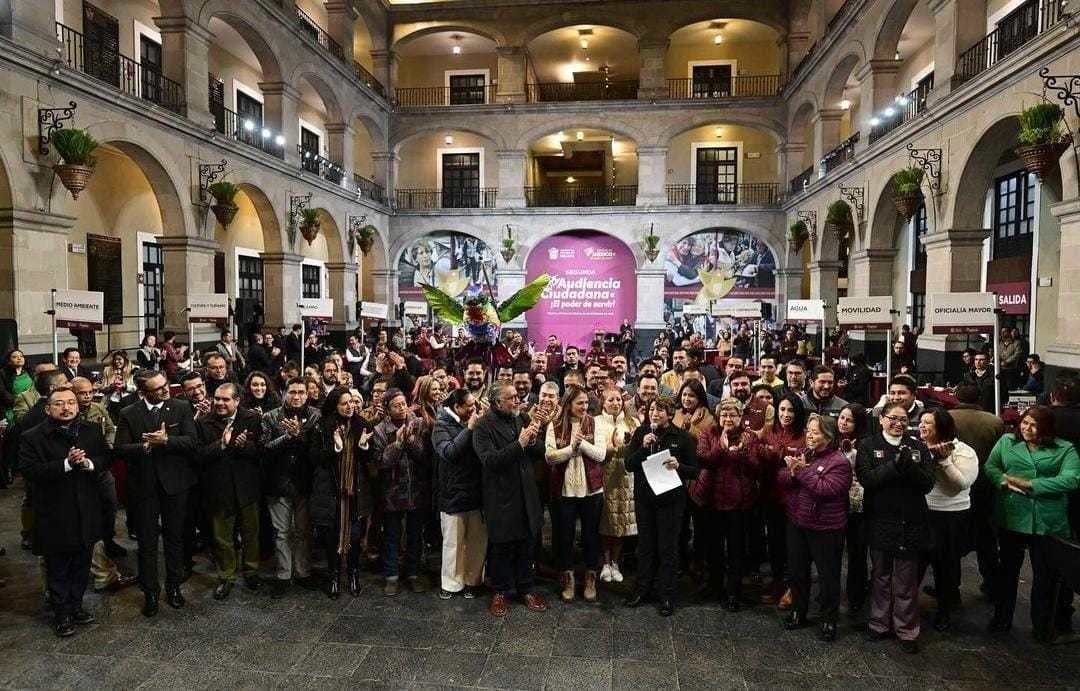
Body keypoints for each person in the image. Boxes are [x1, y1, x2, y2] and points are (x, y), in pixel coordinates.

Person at [19, 387, 112, 637]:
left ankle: (76, 605)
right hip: (54, 513)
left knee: (82, 564)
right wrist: (66, 464)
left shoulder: (91, 430)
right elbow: (29, 471)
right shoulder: (33, 437)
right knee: (58, 567)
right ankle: (61, 614)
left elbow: (105, 458)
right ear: (48, 408)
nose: (67, 407)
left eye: (71, 402)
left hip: (87, 509)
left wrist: (89, 463)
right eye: (60, 404)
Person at [985, 405, 1080, 640]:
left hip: (1047, 522)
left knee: (1045, 578)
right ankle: (1001, 619)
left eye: (1034, 425)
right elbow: (991, 467)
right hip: (1012, 516)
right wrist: (1003, 483)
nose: (1027, 428)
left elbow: (1071, 480)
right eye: (1024, 422)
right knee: (1007, 573)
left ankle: (1042, 626)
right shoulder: (1007, 441)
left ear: (1046, 428)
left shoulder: (1065, 449)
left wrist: (1031, 485)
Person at [114, 371, 198, 617]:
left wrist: (167, 440)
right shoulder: (128, 413)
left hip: (175, 484)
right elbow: (119, 449)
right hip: (144, 487)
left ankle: (173, 587)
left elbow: (191, 441)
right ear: (143, 392)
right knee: (147, 543)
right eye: (158, 388)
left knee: (174, 538)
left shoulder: (181, 407)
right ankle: (150, 592)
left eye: (165, 385)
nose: (165, 390)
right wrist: (146, 446)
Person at [857, 402, 936, 654]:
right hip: (880, 520)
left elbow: (927, 484)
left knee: (906, 580)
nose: (898, 423)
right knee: (880, 576)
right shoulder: (868, 445)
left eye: (903, 419)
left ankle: (906, 630)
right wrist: (894, 466)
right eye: (892, 418)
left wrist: (910, 466)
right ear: (881, 419)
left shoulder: (918, 446)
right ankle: (879, 623)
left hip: (911, 522)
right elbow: (868, 479)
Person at [473, 381, 548, 617]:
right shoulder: (483, 427)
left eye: (517, 396)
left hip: (526, 493)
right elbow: (491, 461)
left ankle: (526, 588)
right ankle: (500, 592)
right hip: (501, 496)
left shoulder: (520, 418)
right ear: (497, 402)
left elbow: (540, 452)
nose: (518, 400)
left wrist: (533, 441)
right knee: (502, 547)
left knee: (527, 544)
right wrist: (520, 444)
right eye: (512, 397)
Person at [778, 414, 851, 641]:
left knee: (828, 576)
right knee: (798, 572)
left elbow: (825, 489)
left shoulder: (839, 462)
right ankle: (798, 611)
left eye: (815, 432)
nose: (809, 435)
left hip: (826, 528)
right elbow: (783, 481)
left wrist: (801, 471)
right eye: (808, 431)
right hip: (798, 523)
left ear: (828, 437)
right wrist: (790, 472)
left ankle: (828, 620)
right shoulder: (804, 455)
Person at [624, 397, 698, 616]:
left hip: (671, 501)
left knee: (667, 548)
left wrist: (679, 466)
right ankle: (642, 589)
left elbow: (694, 470)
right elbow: (629, 465)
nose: (654, 414)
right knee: (645, 545)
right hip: (645, 499)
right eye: (652, 410)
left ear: (670, 413)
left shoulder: (683, 437)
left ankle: (667, 595)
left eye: (660, 410)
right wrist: (643, 448)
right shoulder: (641, 433)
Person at [195, 382, 264, 600]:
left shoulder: (252, 419)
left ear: (237, 401)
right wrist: (222, 445)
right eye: (217, 399)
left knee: (251, 533)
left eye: (225, 399)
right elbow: (198, 456)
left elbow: (261, 452)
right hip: (219, 490)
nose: (220, 403)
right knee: (222, 538)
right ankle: (226, 577)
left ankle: (251, 571)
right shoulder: (204, 422)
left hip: (247, 488)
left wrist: (245, 446)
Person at [309, 387, 375, 598]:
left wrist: (363, 447)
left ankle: (354, 573)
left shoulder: (362, 425)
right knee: (332, 536)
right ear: (334, 406)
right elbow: (314, 458)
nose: (350, 407)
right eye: (344, 403)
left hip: (355, 491)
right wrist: (335, 448)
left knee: (355, 536)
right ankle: (334, 576)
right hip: (331, 492)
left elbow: (369, 459)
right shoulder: (322, 426)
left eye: (352, 402)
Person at [917, 409, 978, 632]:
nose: (922, 426)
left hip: (951, 516)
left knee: (946, 567)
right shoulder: (917, 448)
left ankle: (945, 611)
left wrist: (944, 461)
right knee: (916, 564)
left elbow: (962, 484)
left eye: (928, 423)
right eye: (921, 422)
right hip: (922, 513)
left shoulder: (963, 451)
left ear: (941, 427)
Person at [695, 397, 758, 611]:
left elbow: (756, 467)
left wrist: (740, 452)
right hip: (712, 499)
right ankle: (715, 586)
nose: (728, 418)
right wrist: (721, 449)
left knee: (736, 550)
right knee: (713, 547)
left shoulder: (749, 437)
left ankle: (733, 591)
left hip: (739, 503)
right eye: (724, 414)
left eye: (733, 415)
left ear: (741, 417)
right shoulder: (708, 434)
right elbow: (703, 460)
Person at [545, 386, 607, 603]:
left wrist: (582, 445)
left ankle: (590, 578)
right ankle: (568, 578)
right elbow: (550, 457)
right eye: (579, 403)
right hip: (565, 489)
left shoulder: (596, 422)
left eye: (586, 403)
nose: (584, 407)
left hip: (592, 490)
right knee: (565, 536)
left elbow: (600, 454)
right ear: (569, 404)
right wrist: (571, 448)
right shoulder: (554, 424)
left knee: (590, 536)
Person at [261, 378, 321, 598]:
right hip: (277, 483)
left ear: (308, 394)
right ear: (285, 393)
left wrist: (300, 435)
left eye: (301, 392)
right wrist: (287, 437)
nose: (297, 396)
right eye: (293, 392)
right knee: (281, 532)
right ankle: (284, 575)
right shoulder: (270, 416)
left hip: (306, 482)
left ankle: (303, 571)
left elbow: (316, 450)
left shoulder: (316, 416)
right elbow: (265, 449)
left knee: (304, 532)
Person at [373, 388, 432, 595]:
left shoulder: (419, 424)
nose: (402, 408)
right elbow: (381, 463)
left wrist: (412, 441)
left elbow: (425, 457)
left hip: (416, 489)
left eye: (403, 403)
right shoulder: (380, 430)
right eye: (396, 405)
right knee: (391, 536)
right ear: (387, 410)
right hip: (392, 491)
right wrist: (397, 444)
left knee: (415, 535)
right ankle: (391, 576)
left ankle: (413, 574)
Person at [755, 393, 808, 605]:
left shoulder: (804, 435)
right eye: (783, 409)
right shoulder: (768, 431)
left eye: (791, 410)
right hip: (770, 497)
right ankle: (777, 581)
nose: (786, 414)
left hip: (794, 501)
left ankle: (792, 586)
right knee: (775, 544)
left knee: (792, 547)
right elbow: (756, 454)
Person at [433, 388, 486, 600]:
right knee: (453, 543)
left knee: (476, 541)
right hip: (452, 494)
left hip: (476, 493)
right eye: (470, 406)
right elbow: (449, 453)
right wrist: (470, 429)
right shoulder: (441, 426)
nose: (474, 409)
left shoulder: (475, 422)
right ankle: (451, 584)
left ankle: (473, 581)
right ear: (457, 407)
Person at [596, 386, 638, 583]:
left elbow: (637, 450)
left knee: (622, 522)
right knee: (606, 522)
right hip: (604, 475)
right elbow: (595, 451)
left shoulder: (633, 422)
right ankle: (605, 562)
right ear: (602, 402)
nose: (615, 403)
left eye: (618, 400)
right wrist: (614, 448)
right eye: (610, 400)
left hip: (626, 477)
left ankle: (615, 562)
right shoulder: (595, 422)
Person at [837, 403, 871, 615]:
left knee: (857, 553)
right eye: (841, 418)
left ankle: (856, 595)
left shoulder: (866, 444)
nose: (843, 422)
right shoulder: (832, 439)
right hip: (834, 502)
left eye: (849, 420)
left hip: (857, 505)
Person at [100, 351, 136, 419]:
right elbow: (103, 388)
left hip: (128, 401)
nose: (116, 361)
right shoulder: (107, 370)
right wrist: (112, 386)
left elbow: (137, 388)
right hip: (112, 401)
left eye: (119, 359)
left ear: (125, 360)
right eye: (115, 359)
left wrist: (125, 386)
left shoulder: (133, 369)